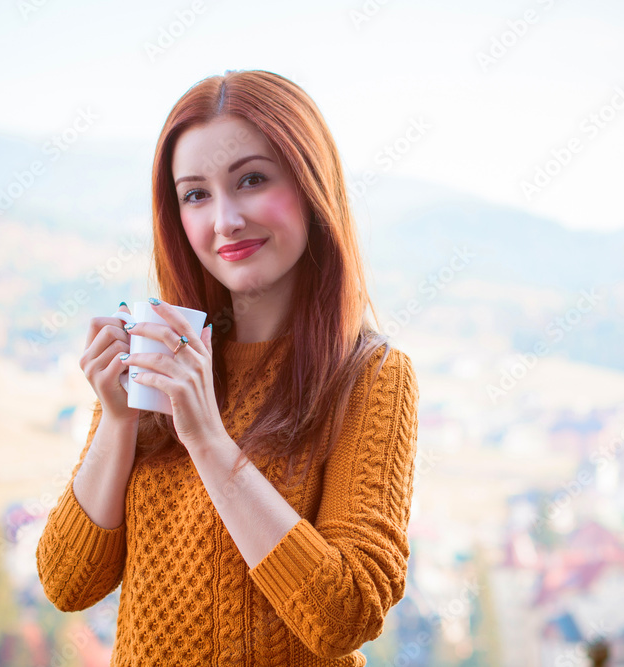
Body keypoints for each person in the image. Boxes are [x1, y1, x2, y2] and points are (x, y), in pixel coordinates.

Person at [36, 69, 420, 666]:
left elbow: (345, 614)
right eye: (196, 194)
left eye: (252, 180)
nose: (225, 220)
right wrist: (116, 422)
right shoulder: (163, 349)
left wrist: (210, 442)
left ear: (312, 186)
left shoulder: (370, 376)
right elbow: (67, 582)